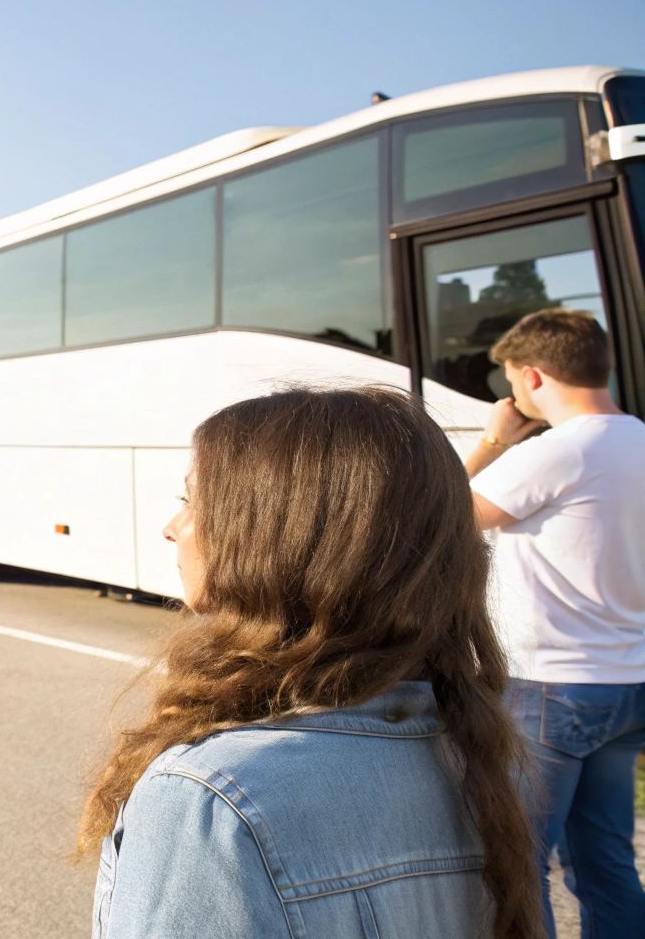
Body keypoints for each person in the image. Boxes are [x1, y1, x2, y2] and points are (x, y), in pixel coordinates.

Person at [82, 387, 543, 939]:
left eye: (193, 502)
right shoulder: (473, 747)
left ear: (277, 535)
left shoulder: (213, 798)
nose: (172, 527)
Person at [464, 308, 645, 937]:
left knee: (517, 866)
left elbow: (443, 513)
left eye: (512, 381)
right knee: (605, 862)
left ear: (534, 376)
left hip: (552, 689)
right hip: (627, 683)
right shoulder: (640, 439)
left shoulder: (557, 452)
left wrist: (493, 440)